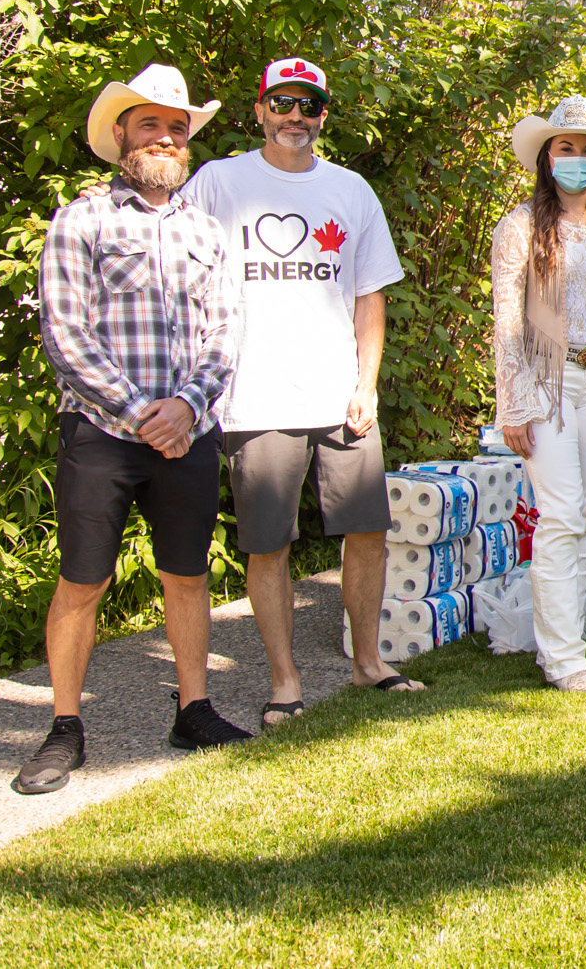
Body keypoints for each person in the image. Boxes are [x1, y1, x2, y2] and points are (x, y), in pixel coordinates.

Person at [14, 66, 245, 795]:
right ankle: (64, 725)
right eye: (151, 124)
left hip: (186, 430)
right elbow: (65, 332)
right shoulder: (81, 219)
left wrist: (184, 407)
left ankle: (193, 708)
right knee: (84, 580)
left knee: (188, 573)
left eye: (177, 128)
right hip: (101, 433)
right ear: (121, 136)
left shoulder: (207, 231)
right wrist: (140, 412)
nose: (166, 138)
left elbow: (224, 331)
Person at [179, 57, 418, 727]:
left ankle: (369, 662)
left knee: (368, 529)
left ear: (322, 116)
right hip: (252, 397)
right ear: (258, 110)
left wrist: (366, 384)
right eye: (280, 103)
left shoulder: (350, 190)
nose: (293, 117)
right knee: (267, 543)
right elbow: (178, 270)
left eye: (307, 106)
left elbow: (369, 297)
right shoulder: (219, 182)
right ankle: (284, 681)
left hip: (340, 394)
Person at [490, 97, 586, 692]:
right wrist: (516, 402)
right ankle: (563, 658)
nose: (577, 158)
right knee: (558, 516)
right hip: (547, 385)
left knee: (583, 515)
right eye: (566, 147)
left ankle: (564, 637)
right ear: (547, 156)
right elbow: (506, 319)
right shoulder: (521, 226)